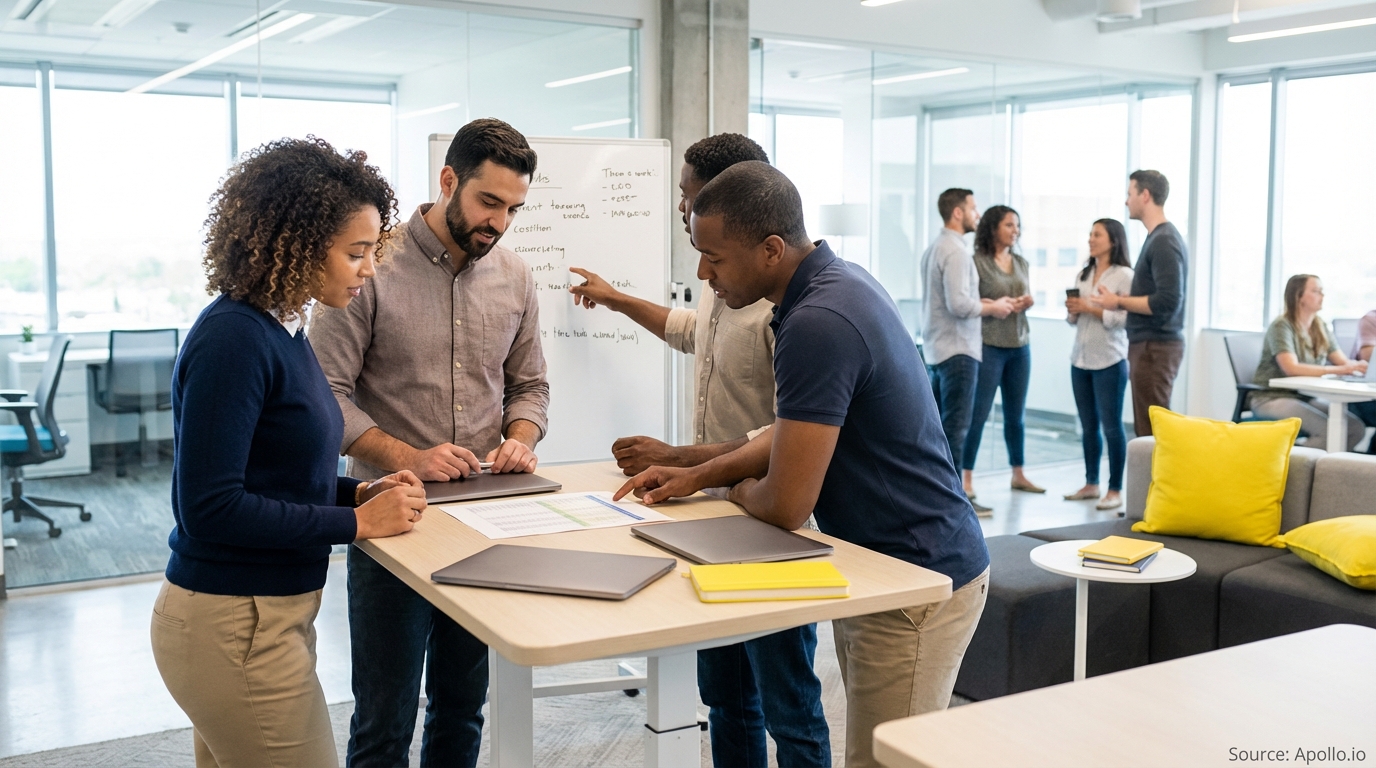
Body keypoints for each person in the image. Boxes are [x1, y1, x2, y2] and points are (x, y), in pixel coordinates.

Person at [616, 161, 990, 768]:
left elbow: (787, 504)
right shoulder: (833, 285)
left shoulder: (817, 321)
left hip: (919, 576)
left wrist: (731, 487)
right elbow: (791, 436)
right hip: (887, 565)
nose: (703, 275)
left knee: (879, 760)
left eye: (714, 258)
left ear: (769, 249)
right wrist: (699, 472)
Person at [150, 137, 427, 768]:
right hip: (235, 624)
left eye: (374, 252)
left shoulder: (282, 328)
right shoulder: (234, 340)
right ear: (298, 244)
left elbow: (274, 473)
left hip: (258, 616)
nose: (369, 269)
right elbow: (211, 507)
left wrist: (359, 492)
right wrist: (355, 524)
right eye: (356, 253)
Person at [567, 133, 830, 768]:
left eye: (688, 196)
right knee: (727, 695)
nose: (684, 210)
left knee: (788, 702)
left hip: (774, 522)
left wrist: (684, 459)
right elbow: (693, 333)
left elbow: (787, 434)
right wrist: (616, 297)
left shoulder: (784, 305)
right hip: (717, 515)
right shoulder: (725, 272)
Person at [309, 119, 549, 767]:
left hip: (485, 523)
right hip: (393, 522)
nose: (499, 222)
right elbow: (324, 397)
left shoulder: (516, 277)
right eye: (488, 202)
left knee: (462, 707)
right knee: (385, 720)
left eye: (513, 209)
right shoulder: (367, 265)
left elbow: (530, 388)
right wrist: (407, 456)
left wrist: (521, 439)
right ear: (449, 181)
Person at [920, 188, 1016, 515]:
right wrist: (991, 310)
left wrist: (990, 303)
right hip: (959, 352)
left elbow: (952, 300)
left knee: (940, 433)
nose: (978, 214)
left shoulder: (935, 247)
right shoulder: (958, 252)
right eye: (973, 208)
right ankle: (955, 505)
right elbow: (959, 305)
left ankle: (938, 500)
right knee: (955, 432)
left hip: (937, 351)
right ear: (958, 213)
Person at [1096, 170, 1187, 437]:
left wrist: (1118, 301)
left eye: (1130, 193)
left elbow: (1168, 301)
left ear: (1145, 196)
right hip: (1149, 346)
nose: (1127, 201)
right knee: (1147, 426)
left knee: (1151, 430)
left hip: (1155, 347)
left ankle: (1153, 480)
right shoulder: (1158, 238)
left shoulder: (1164, 241)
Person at [962, 205, 1041, 499]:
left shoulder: (1021, 262)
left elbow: (1022, 292)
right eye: (1009, 225)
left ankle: (1018, 473)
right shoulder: (976, 262)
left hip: (1020, 345)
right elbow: (972, 302)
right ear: (994, 228)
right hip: (989, 345)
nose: (1015, 231)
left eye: (1017, 226)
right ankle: (966, 477)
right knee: (978, 414)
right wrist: (996, 305)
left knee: (1015, 415)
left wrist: (1025, 301)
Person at [1063, 219, 1134, 511]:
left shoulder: (1125, 276)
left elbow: (1123, 319)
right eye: (1090, 234)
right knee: (1088, 425)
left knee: (1111, 426)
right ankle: (1091, 483)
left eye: (1097, 234)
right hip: (1080, 359)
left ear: (1113, 240)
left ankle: (1114, 489)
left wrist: (1091, 309)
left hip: (1110, 360)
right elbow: (1073, 320)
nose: (1091, 239)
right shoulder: (1085, 273)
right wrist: (1074, 311)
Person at [1249, 275, 1366, 451]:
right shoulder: (1282, 326)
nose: (1322, 295)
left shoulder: (1320, 326)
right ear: (1299, 296)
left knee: (1355, 429)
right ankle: (1292, 468)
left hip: (1303, 397)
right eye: (1316, 291)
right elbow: (1291, 368)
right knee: (1329, 431)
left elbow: (1342, 362)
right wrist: (1340, 369)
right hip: (1271, 397)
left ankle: (1326, 471)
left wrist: (1359, 367)